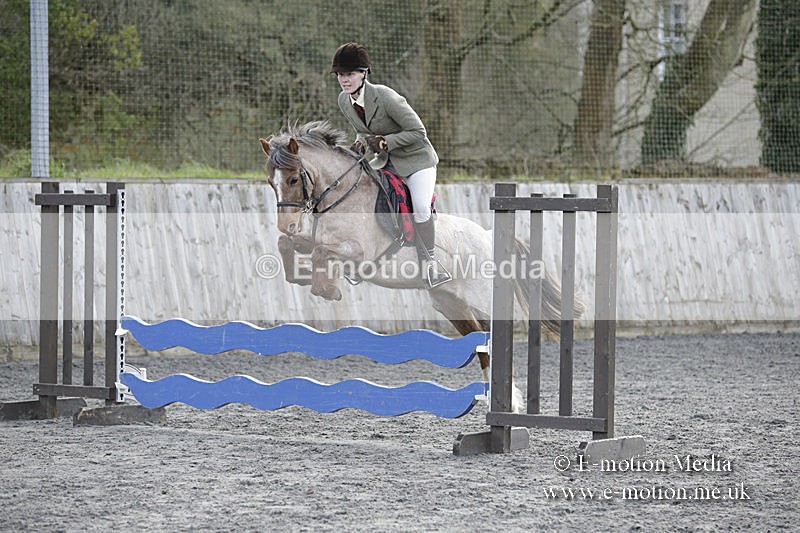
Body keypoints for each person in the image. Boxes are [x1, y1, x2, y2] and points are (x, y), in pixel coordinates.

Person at [330, 42, 451, 288]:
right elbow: (361, 132)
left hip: (417, 161)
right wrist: (360, 144)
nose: (345, 80)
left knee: (420, 208)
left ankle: (430, 265)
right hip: (386, 161)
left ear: (364, 73)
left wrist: (386, 141)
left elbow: (419, 132)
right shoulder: (344, 100)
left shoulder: (386, 96)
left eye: (350, 74)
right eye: (341, 75)